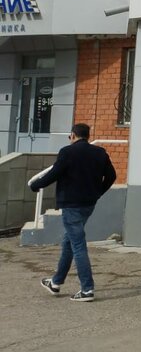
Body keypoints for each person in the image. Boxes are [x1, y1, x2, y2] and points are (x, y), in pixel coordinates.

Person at [29, 123, 116, 302]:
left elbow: (54, 173)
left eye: (70, 137)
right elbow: (112, 176)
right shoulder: (100, 153)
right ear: (87, 136)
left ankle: (87, 289)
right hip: (88, 204)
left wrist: (35, 185)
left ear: (73, 135)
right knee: (69, 242)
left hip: (71, 205)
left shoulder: (68, 152)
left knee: (78, 245)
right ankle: (55, 282)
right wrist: (98, 192)